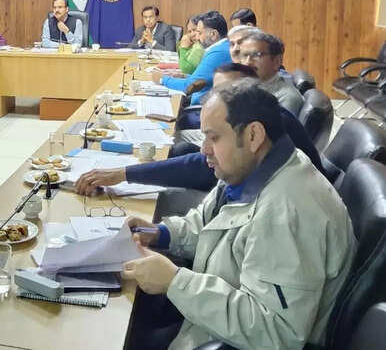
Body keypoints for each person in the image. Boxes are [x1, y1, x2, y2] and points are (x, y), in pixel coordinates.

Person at [122, 80, 355, 350]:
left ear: (253, 136)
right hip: (208, 323)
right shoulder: (251, 169)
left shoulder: (288, 212)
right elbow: (208, 224)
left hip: (226, 340)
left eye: (213, 138)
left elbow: (277, 331)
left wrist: (175, 282)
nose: (203, 149)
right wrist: (160, 234)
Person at [75, 63, 325, 194]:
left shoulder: (282, 202)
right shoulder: (260, 119)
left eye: (226, 93)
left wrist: (125, 174)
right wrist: (163, 235)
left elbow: (202, 168)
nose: (216, 99)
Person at [152, 10, 231, 106]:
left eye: (200, 33)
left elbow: (189, 86)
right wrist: (186, 76)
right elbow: (203, 81)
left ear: (213, 34)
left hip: (200, 109)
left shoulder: (218, 53)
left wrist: (162, 79)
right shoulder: (222, 47)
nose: (197, 38)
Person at [239, 32, 304, 115]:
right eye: (245, 55)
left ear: (277, 61)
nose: (247, 62)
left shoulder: (287, 98)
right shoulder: (246, 87)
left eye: (256, 55)